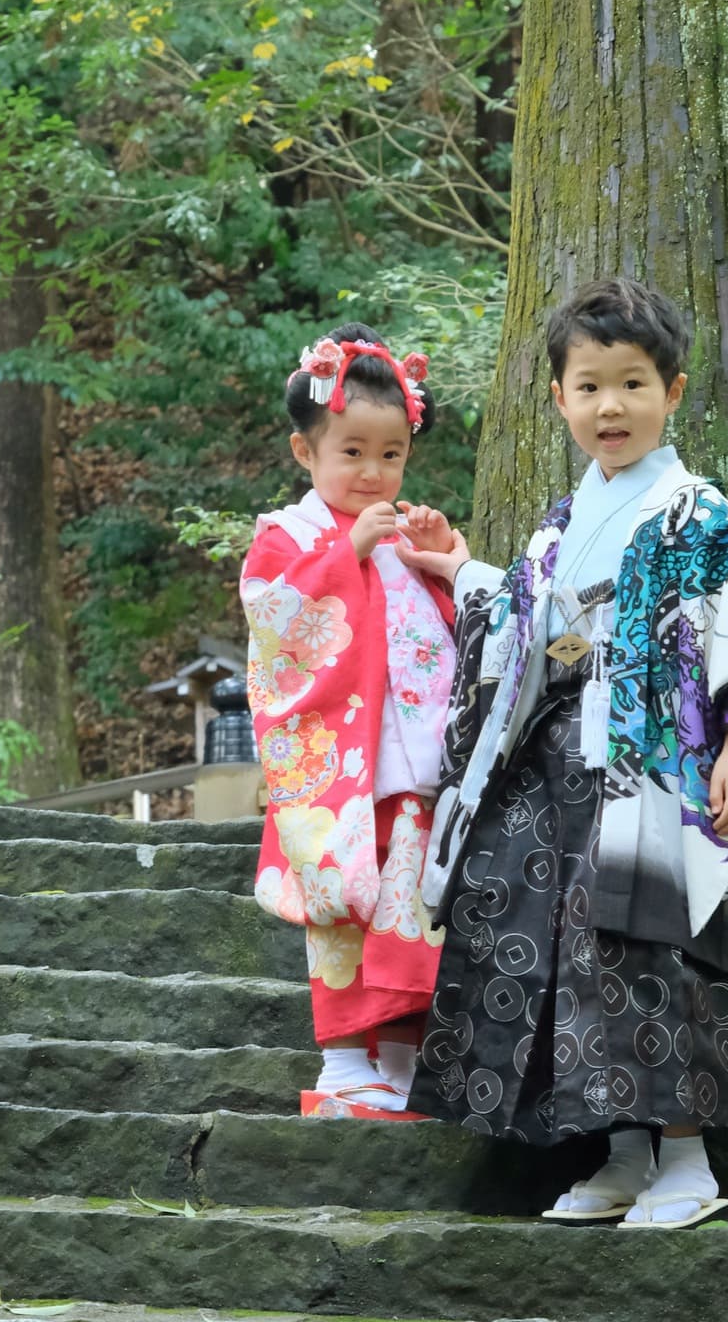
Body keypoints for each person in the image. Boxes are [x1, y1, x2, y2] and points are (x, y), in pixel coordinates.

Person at [399, 278, 728, 1224]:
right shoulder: (558, 523)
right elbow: (522, 623)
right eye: (588, 386)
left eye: (632, 384)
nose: (610, 406)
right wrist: (458, 567)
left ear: (672, 391)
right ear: (559, 399)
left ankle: (689, 1163)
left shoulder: (701, 514)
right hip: (551, 765)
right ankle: (621, 1152)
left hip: (652, 767)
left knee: (651, 942)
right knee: (562, 954)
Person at [240, 322, 458, 1117]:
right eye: (352, 452)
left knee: (412, 915)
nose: (373, 473)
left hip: (415, 764)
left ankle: (400, 1062)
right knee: (340, 911)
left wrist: (443, 563)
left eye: (390, 454)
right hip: (337, 769)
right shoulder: (287, 536)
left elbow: (446, 634)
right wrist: (345, 559)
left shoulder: (401, 533)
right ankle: (341, 1064)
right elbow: (274, 625)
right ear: (306, 453)